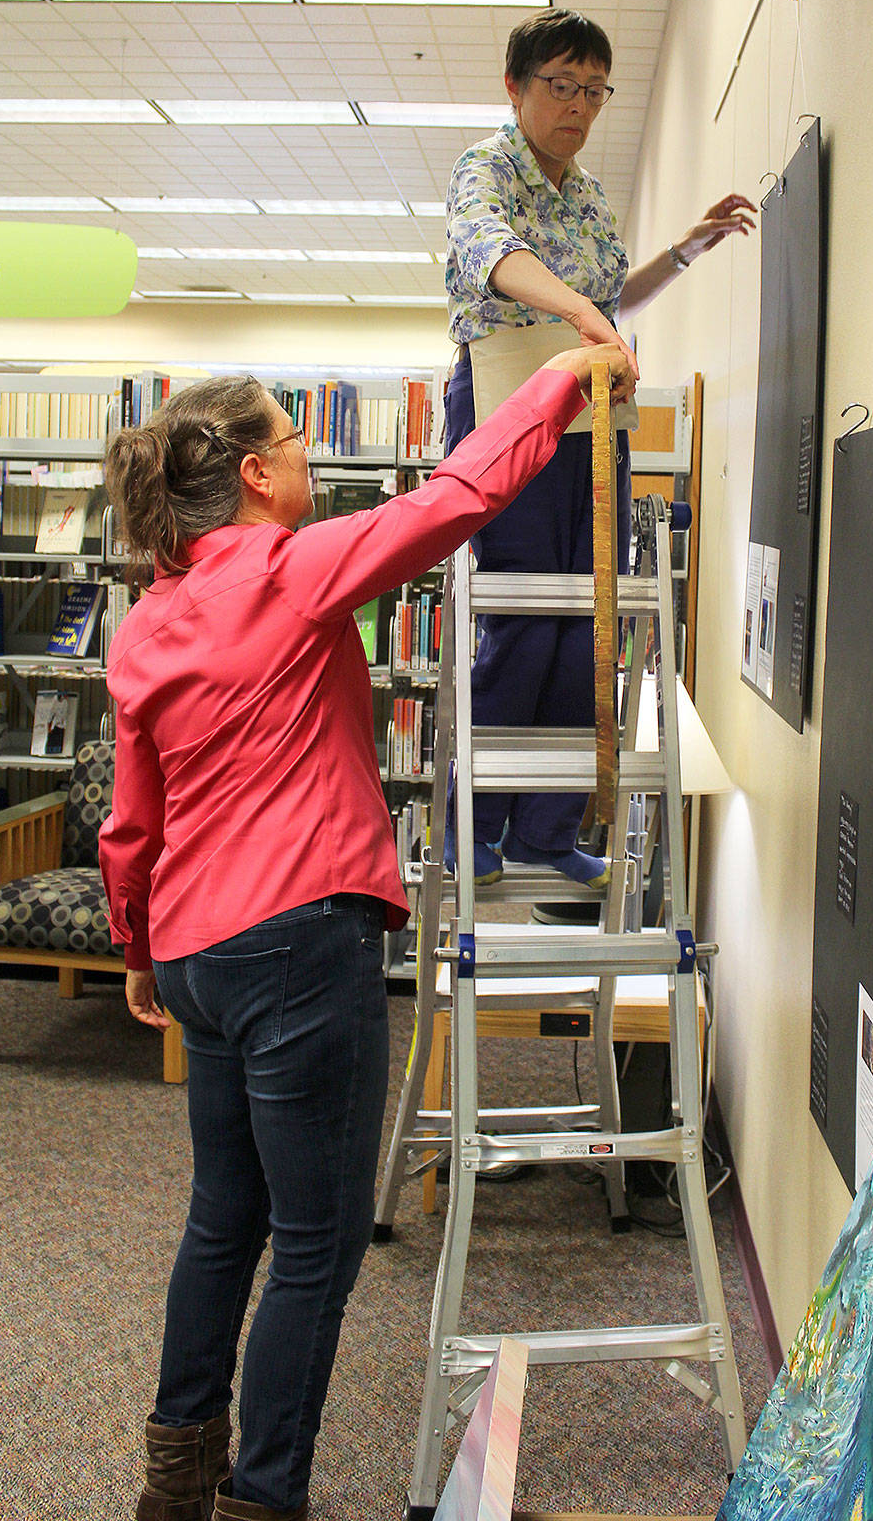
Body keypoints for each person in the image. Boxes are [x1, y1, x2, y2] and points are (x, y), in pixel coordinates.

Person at [99, 343, 635, 1521]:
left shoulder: (146, 624)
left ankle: (173, 1476)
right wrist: (558, 380)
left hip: (195, 948)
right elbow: (458, 499)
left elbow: (133, 819)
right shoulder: (290, 571)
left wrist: (137, 946)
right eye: (292, 439)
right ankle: (261, 1501)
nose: (306, 455)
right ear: (251, 475)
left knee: (221, 1218)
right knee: (315, 1242)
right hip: (296, 938)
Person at [444, 5, 756, 883]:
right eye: (560, 86)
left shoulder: (585, 194)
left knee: (591, 628)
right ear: (515, 88)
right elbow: (490, 255)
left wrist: (686, 250)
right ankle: (478, 824)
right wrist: (581, 314)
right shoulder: (488, 169)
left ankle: (545, 831)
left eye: (593, 91)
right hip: (509, 399)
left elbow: (615, 292)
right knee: (522, 622)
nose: (577, 106)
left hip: (590, 410)